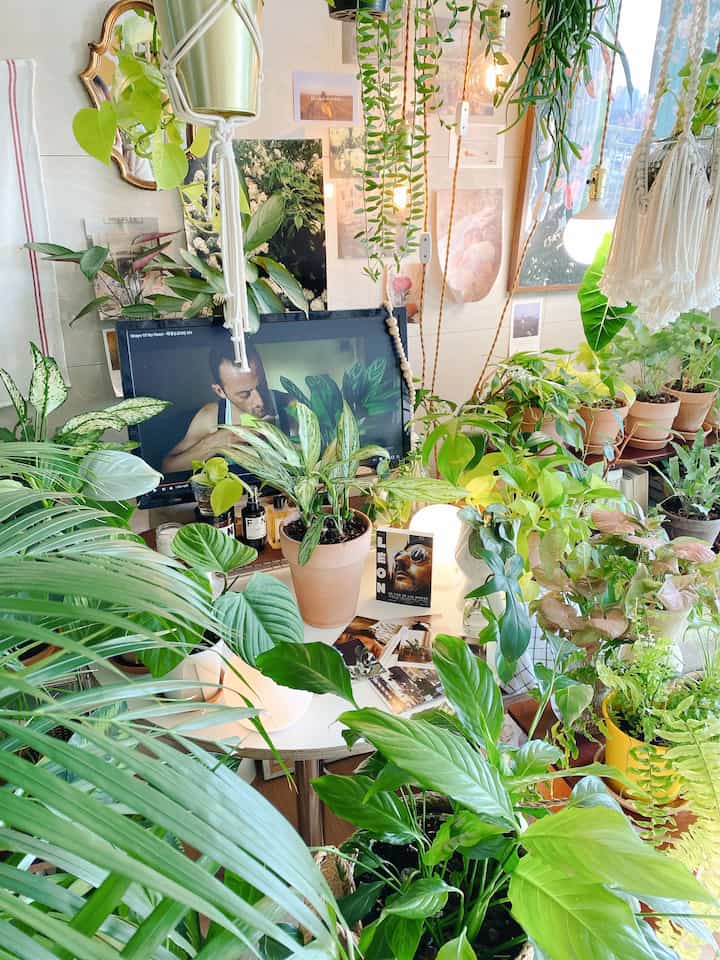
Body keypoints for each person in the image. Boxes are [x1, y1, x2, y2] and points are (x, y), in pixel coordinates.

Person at [162, 337, 274, 474]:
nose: (260, 401)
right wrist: (216, 442)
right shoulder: (211, 416)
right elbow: (168, 468)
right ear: (220, 391)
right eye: (244, 394)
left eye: (261, 385)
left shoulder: (288, 405)